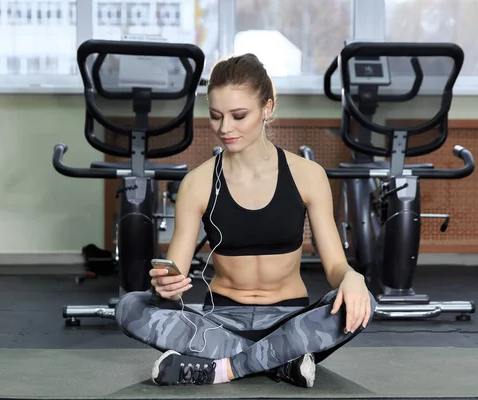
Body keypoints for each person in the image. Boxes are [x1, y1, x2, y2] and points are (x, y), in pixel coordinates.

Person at [114, 53, 376, 388]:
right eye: (215, 116)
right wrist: (165, 283)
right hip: (219, 322)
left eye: (239, 116)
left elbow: (336, 267)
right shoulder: (198, 182)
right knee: (130, 307)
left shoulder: (308, 175)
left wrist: (352, 278)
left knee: (362, 299)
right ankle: (281, 362)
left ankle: (223, 368)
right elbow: (174, 272)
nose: (225, 128)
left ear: (267, 108)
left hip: (290, 320)